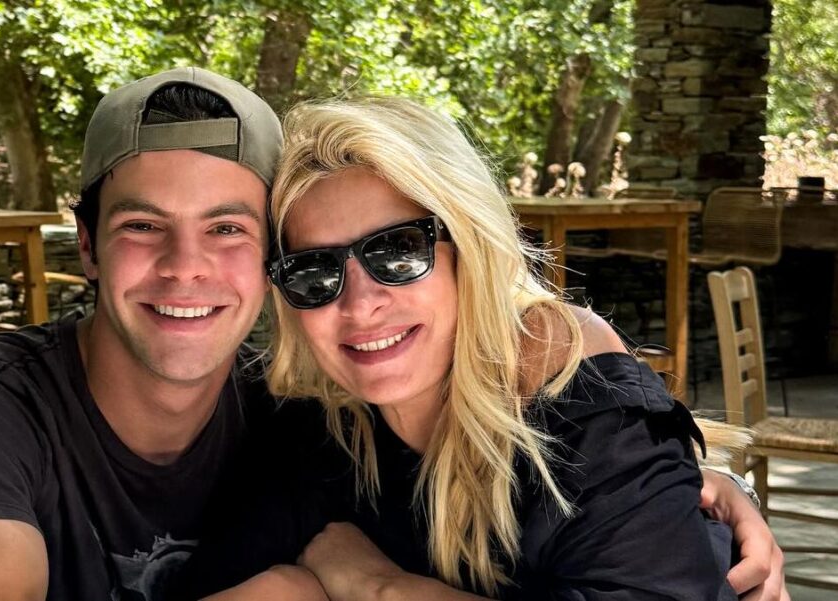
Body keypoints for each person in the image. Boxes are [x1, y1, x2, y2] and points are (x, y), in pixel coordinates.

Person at [0, 68, 785, 601]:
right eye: (143, 225)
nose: (186, 266)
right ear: (88, 246)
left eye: (228, 228)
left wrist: (682, 480)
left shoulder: (301, 414)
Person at [183, 96, 789, 601]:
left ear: (470, 246)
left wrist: (380, 587)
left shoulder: (578, 395)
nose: (360, 305)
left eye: (400, 252)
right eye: (314, 272)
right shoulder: (317, 422)